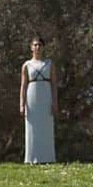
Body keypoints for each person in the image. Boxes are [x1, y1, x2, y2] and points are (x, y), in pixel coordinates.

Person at [20, 35, 57, 163]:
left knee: (46, 127)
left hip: (46, 96)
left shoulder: (49, 64)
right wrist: (22, 104)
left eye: (39, 45)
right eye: (35, 45)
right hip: (32, 97)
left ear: (43, 47)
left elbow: (53, 84)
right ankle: (31, 158)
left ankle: (48, 158)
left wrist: (55, 102)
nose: (37, 47)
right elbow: (23, 85)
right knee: (32, 127)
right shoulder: (27, 65)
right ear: (31, 47)